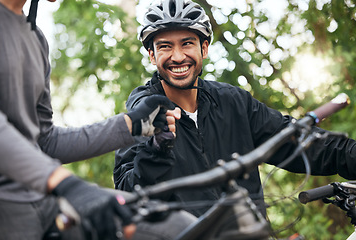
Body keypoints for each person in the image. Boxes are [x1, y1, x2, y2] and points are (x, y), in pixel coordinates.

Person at [114, 0, 356, 218]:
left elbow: (298, 142)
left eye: (187, 43)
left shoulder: (233, 101)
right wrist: (155, 152)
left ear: (204, 49)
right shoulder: (143, 113)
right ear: (151, 55)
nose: (178, 57)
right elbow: (127, 194)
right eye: (165, 46)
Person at [0, 0, 197, 239]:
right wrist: (67, 184)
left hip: (42, 198)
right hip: (6, 207)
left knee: (178, 227)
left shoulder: (34, 37)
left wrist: (133, 123)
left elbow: (45, 141)